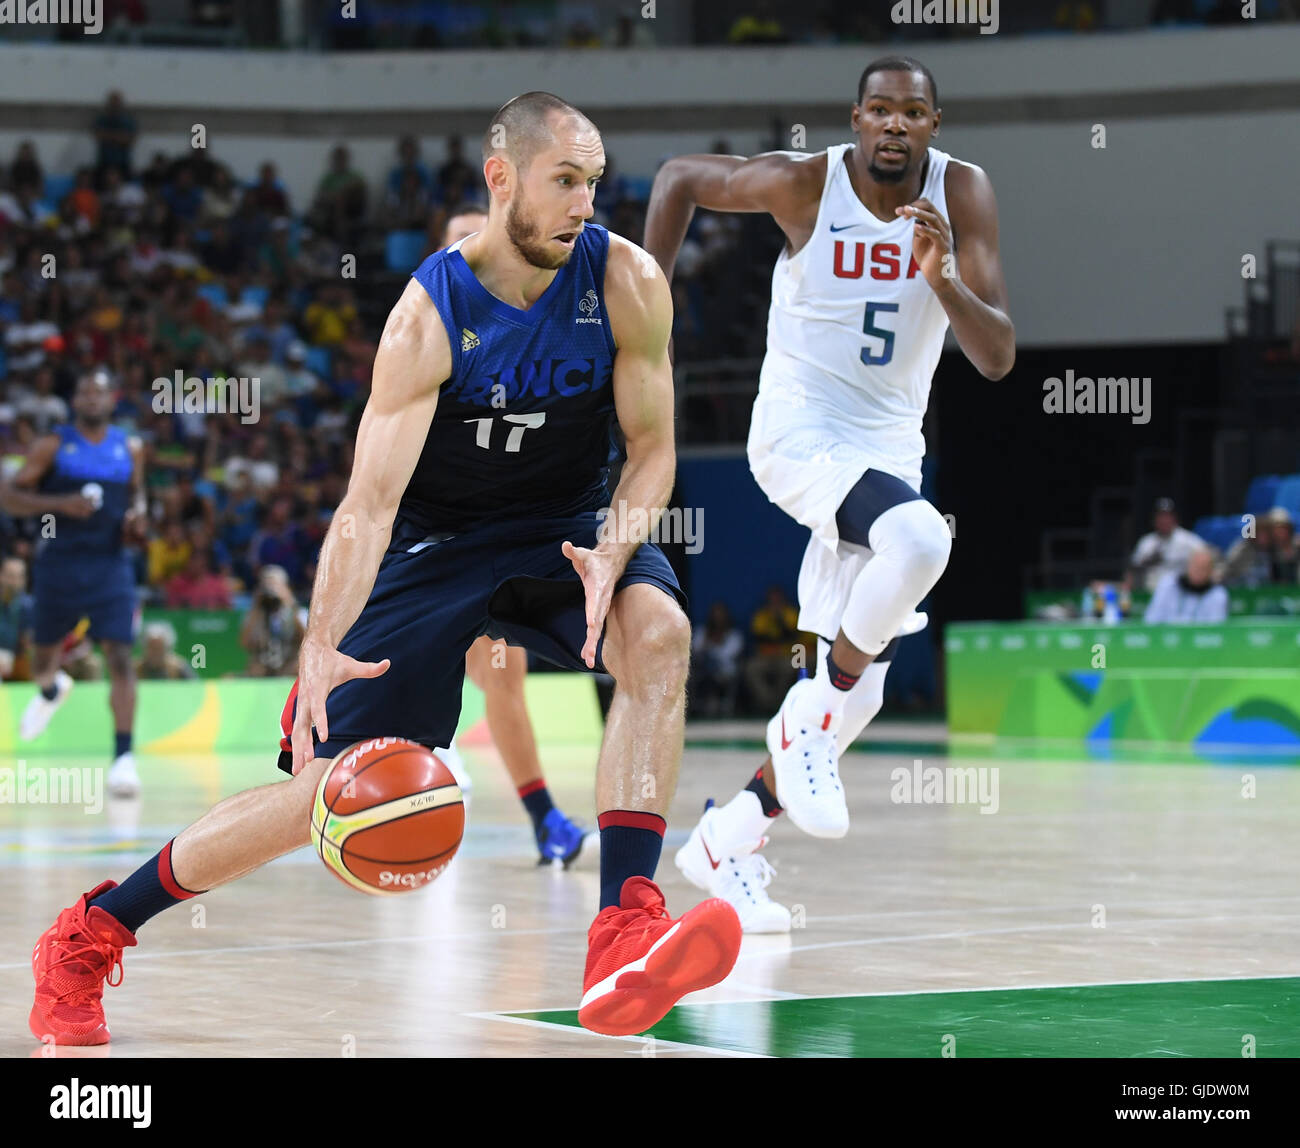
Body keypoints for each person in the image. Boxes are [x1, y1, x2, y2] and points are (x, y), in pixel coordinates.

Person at [29, 92, 741, 1047]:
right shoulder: (428, 316)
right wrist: (319, 642)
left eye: (594, 183)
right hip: (433, 545)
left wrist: (618, 544)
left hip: (567, 525)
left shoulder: (626, 280)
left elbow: (654, 447)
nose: (584, 202)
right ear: (503, 179)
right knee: (316, 795)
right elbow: (366, 505)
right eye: (564, 180)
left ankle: (623, 930)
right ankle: (89, 933)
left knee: (661, 632)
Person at [645, 55, 1014, 930]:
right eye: (879, 110)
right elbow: (677, 179)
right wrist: (649, 328)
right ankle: (806, 724)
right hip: (799, 430)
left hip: (889, 450)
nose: (894, 125)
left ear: (934, 123)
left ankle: (724, 840)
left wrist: (943, 276)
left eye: (912, 112)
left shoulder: (963, 196)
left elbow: (997, 357)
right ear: (855, 118)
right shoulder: (806, 185)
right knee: (922, 544)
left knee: (867, 690)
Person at [433, 204, 588, 865]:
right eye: (459, 242)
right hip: (431, 535)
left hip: (506, 535)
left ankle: (545, 818)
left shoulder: (541, 331)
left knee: (503, 680)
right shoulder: (423, 326)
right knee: (398, 666)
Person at [0, 371, 147, 797]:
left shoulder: (130, 447)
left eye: (99, 390)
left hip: (110, 566)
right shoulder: (52, 445)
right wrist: (58, 504)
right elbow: (9, 496)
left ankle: (123, 758)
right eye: (83, 390)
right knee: (43, 660)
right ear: (75, 400)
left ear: (112, 398)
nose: (91, 397)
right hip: (58, 564)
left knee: (120, 656)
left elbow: (138, 495)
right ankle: (51, 689)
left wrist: (138, 515)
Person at [239, 564, 305, 676]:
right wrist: (256, 608)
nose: (270, 590)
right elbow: (245, 643)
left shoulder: (298, 612)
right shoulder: (254, 614)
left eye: (274, 585)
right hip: (263, 663)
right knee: (255, 668)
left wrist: (290, 603)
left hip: (289, 661)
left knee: (298, 666)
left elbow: (307, 638)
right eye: (266, 586)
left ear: (286, 587)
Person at [1128, 497, 1201, 592]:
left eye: (1168, 516)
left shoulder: (1187, 540)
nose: (1164, 520)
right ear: (1154, 520)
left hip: (1180, 593)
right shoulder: (1147, 542)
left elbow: (1208, 556)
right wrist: (1147, 561)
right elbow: (1132, 570)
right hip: (1151, 593)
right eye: (1160, 516)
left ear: (1175, 518)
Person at [1143, 548, 1228, 623]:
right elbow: (1151, 619)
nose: (1198, 572)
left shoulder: (1218, 594)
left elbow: (1216, 628)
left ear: (1211, 572)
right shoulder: (1168, 584)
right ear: (1188, 566)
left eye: (1203, 568)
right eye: (1195, 566)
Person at [0, 554, 32, 680]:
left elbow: (30, 644)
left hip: (20, 660)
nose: (14, 581)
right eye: (10, 576)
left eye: (19, 577)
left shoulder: (30, 606)